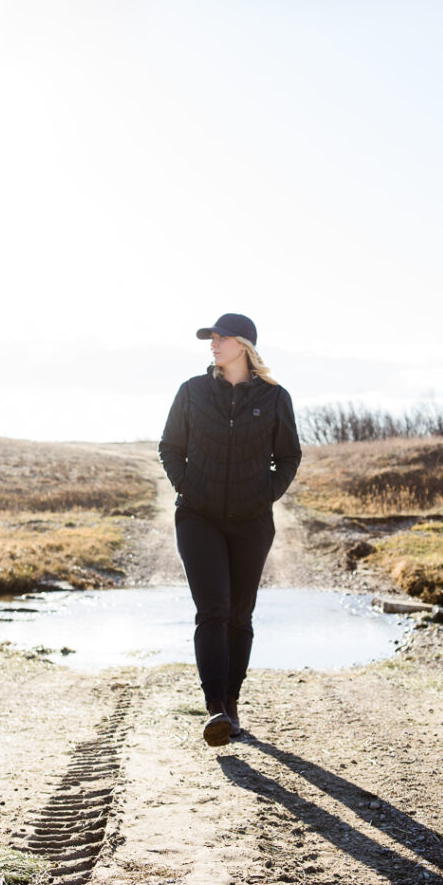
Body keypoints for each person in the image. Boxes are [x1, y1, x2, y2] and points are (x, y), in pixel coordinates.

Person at [159, 313, 302, 746]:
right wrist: (188, 486)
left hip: (252, 522)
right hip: (198, 517)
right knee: (213, 610)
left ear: (243, 345)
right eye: (211, 339)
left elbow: (289, 457)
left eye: (220, 338)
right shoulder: (193, 392)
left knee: (240, 615)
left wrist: (263, 495)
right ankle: (215, 708)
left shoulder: (275, 398)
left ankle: (233, 703)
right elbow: (170, 446)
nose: (213, 344)